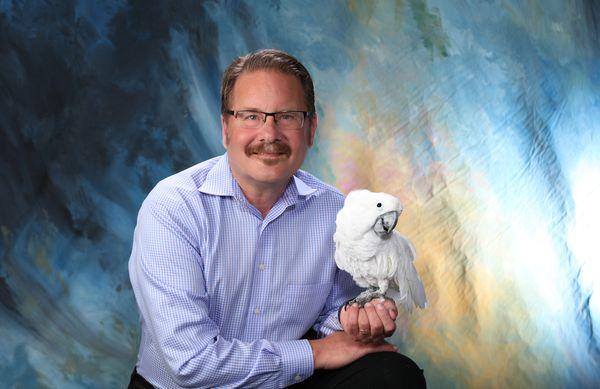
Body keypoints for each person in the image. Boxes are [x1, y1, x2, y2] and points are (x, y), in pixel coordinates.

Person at [128, 49, 425, 388]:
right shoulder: (174, 207)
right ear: (226, 128)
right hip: (186, 387)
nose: (270, 134)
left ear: (310, 129)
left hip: (283, 383)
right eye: (251, 116)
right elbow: (190, 361)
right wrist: (316, 353)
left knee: (391, 376)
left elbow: (332, 313)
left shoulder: (335, 212)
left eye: (287, 116)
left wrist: (354, 320)